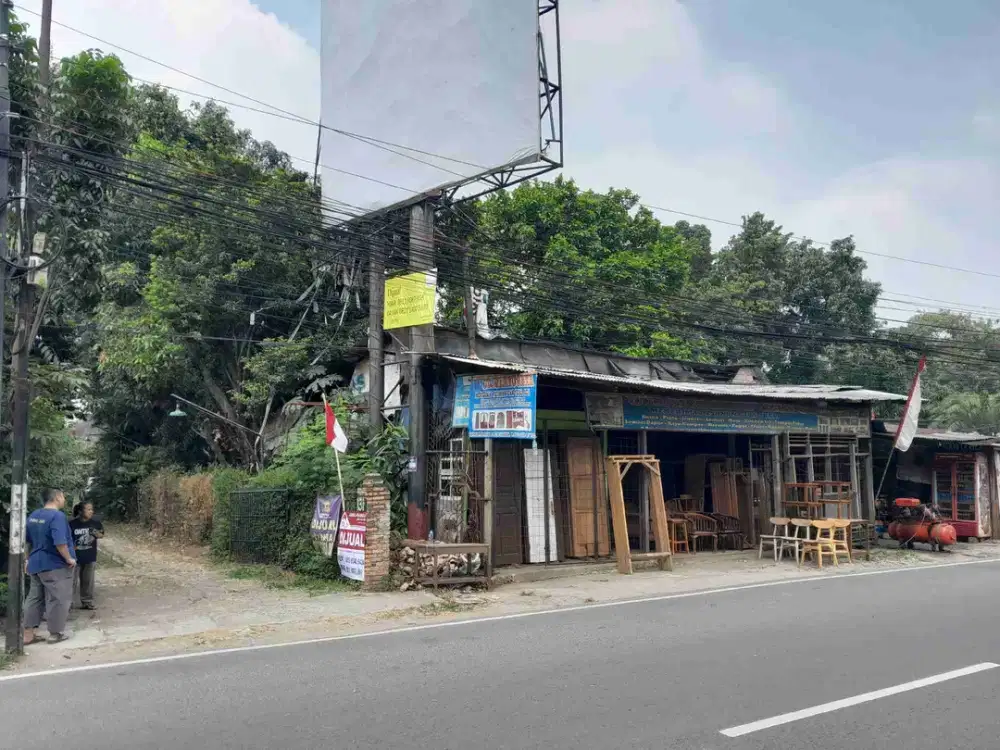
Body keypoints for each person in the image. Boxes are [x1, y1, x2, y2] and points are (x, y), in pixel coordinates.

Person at [23, 489, 76, 645]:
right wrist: (69, 559)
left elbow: (27, 541)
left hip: (36, 564)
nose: (64, 500)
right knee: (58, 599)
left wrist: (27, 559)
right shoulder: (57, 516)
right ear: (58, 497)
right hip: (55, 565)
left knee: (34, 598)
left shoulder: (33, 515)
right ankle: (55, 633)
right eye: (64, 496)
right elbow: (60, 542)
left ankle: (28, 634)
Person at [70, 501, 104, 610]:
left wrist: (94, 532)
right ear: (80, 511)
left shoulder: (95, 523)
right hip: (74, 557)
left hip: (90, 556)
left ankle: (87, 601)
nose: (91, 511)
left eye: (92, 509)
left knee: (88, 581)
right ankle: (68, 604)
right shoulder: (72, 524)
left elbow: (101, 535)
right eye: (88, 509)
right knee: (71, 581)